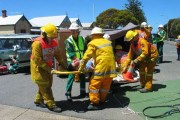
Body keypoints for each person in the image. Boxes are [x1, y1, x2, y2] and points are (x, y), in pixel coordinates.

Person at [30, 23, 66, 113]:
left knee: (46, 84)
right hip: (38, 68)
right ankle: (51, 104)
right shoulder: (37, 44)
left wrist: (63, 64)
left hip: (47, 67)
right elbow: (37, 60)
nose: (52, 39)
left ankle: (38, 100)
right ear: (44, 34)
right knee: (46, 87)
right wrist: (49, 69)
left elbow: (57, 54)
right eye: (51, 37)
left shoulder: (54, 42)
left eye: (54, 37)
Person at [78, 27, 117, 110]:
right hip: (111, 68)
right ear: (101, 34)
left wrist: (81, 67)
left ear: (93, 35)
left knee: (94, 86)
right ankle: (102, 100)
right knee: (105, 86)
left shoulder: (93, 43)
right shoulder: (108, 42)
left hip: (101, 68)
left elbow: (86, 56)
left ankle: (95, 103)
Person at [64, 22, 86, 102]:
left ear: (78, 31)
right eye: (72, 30)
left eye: (75, 30)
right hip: (72, 61)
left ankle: (82, 92)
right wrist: (78, 60)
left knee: (82, 76)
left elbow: (86, 50)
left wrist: (84, 60)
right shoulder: (68, 41)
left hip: (81, 60)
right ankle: (68, 93)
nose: (73, 32)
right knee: (71, 76)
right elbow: (71, 53)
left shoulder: (82, 39)